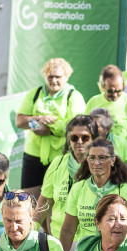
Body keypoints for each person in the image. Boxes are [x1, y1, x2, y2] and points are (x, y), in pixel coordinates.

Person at [15, 58, 87, 200]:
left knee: (54, 201)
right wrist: (37, 119)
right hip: (33, 155)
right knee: (28, 200)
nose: (54, 80)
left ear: (66, 77)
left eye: (58, 77)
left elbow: (77, 125)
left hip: (60, 156)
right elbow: (19, 121)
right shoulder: (35, 93)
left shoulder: (74, 96)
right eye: (50, 76)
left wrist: (51, 129)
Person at [60, 139, 127, 251]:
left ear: (113, 160)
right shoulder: (78, 188)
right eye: (92, 157)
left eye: (102, 157)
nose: (96, 162)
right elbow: (68, 229)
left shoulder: (124, 190)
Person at [37, 115, 98, 236]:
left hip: (90, 240)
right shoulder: (58, 163)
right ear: (69, 140)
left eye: (85, 138)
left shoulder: (100, 165)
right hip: (60, 237)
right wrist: (31, 230)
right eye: (74, 138)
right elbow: (44, 201)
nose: (79, 142)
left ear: (94, 140)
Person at [86, 65, 127, 156]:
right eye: (110, 91)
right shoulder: (93, 102)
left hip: (122, 157)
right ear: (102, 87)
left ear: (123, 85)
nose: (115, 94)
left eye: (118, 91)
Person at [91, 107, 127, 172]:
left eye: (96, 127)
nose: (91, 129)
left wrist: (121, 170)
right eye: (90, 125)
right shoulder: (83, 140)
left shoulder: (119, 142)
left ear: (107, 128)